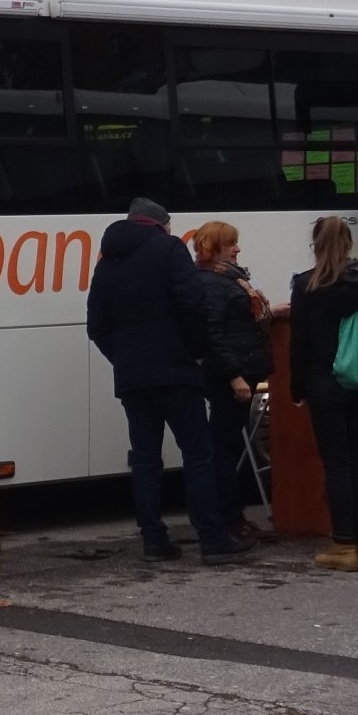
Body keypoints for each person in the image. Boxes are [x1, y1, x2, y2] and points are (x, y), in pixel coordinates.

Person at [86, 198, 256, 564]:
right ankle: (212, 538)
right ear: (162, 224)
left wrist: (124, 359)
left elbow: (96, 326)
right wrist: (195, 354)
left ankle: (154, 541)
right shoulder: (169, 248)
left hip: (133, 377)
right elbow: (193, 304)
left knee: (146, 458)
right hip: (176, 371)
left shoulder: (107, 261)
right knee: (198, 453)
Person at [287, 215, 358, 572]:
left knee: (337, 464)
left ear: (316, 246)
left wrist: (297, 388)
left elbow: (299, 343)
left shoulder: (307, 285)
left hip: (326, 383)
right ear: (349, 243)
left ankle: (344, 545)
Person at [187, 220, 273, 545]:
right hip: (229, 376)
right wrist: (235, 375)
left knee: (229, 444)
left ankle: (232, 516)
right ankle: (229, 518)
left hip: (240, 371)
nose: (237, 249)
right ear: (214, 248)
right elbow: (213, 334)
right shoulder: (211, 282)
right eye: (230, 244)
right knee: (224, 447)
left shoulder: (228, 278)